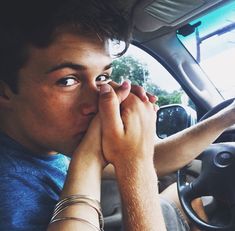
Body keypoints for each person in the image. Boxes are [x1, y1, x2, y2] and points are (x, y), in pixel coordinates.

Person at [0, 0, 235, 231]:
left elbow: (156, 160)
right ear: (5, 91)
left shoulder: (51, 145)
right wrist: (130, 162)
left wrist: (227, 116)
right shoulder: (10, 193)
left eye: (102, 78)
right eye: (67, 80)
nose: (97, 102)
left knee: (183, 194)